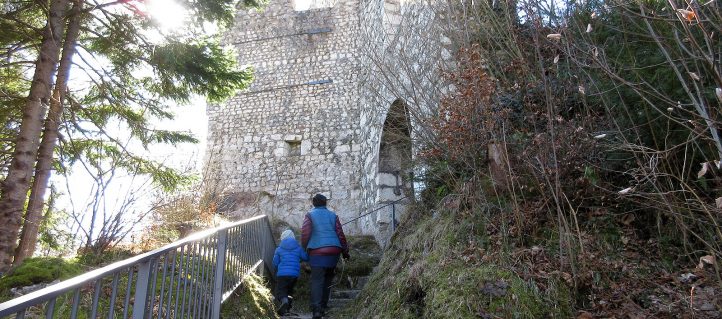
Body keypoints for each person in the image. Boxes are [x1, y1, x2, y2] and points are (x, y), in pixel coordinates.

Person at [301, 193, 350, 319]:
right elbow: (340, 234)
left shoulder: (310, 215)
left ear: (313, 203)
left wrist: (305, 248)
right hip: (334, 251)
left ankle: (317, 310)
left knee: (317, 280)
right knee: (328, 279)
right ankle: (323, 307)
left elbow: (305, 233)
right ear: (325, 203)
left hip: (317, 252)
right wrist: (345, 252)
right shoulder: (333, 215)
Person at [272, 229, 308, 316]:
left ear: (282, 238)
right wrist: (299, 258)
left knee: (281, 291)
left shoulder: (279, 249)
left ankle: (284, 301)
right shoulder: (298, 248)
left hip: (282, 274)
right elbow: (306, 257)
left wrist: (275, 268)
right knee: (290, 291)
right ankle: (288, 309)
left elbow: (275, 263)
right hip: (294, 274)